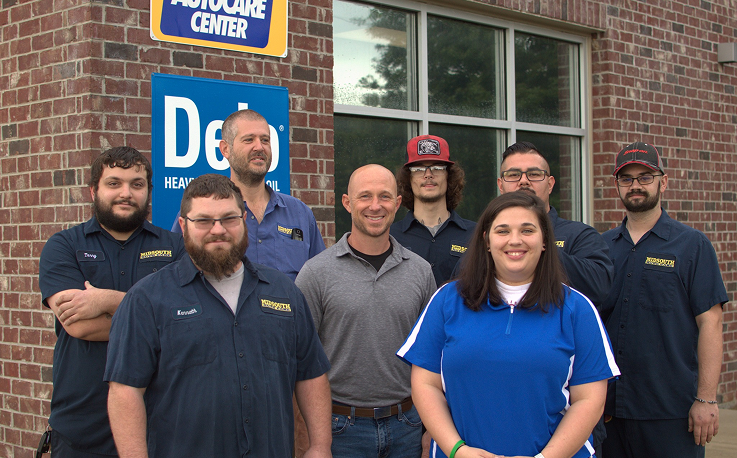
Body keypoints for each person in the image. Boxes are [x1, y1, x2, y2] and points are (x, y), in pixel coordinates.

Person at [105, 174, 332, 458]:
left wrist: (320, 447)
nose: (218, 230)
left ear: (244, 219)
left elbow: (311, 375)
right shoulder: (147, 299)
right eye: (203, 221)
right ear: (183, 225)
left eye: (229, 219)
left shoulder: (284, 292)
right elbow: (125, 391)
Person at [398, 191, 620, 458]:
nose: (515, 240)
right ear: (487, 241)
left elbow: (589, 400)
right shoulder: (447, 301)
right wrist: (457, 450)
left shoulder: (577, 309)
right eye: (502, 231)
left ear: (545, 241)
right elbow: (426, 385)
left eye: (527, 230)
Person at [38, 147, 185, 457]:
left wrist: (106, 299)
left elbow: (186, 321)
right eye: (114, 183)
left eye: (136, 184)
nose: (126, 193)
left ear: (149, 191)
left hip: (160, 424)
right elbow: (78, 325)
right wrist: (158, 321)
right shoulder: (64, 246)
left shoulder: (175, 247)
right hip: (82, 427)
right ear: (94, 190)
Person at [295, 164, 437, 458]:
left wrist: (430, 433)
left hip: (408, 426)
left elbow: (433, 358)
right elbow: (298, 361)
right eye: (365, 197)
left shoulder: (421, 273)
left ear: (397, 203)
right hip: (339, 430)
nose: (375, 206)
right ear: (347, 202)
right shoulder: (316, 273)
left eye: (385, 197)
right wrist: (310, 440)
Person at [600, 142, 728, 458]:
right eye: (626, 179)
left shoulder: (692, 246)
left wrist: (707, 399)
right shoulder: (601, 249)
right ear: (617, 185)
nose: (636, 186)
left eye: (645, 176)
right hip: (607, 410)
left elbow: (711, 322)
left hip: (671, 411)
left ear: (663, 182)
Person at [171, 109, 325, 281]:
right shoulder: (199, 214)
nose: (259, 147)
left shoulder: (299, 213)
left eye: (265, 140)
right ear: (225, 149)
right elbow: (178, 280)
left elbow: (320, 281)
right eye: (249, 140)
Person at [496, 141, 613, 308]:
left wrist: (540, 248)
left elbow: (599, 288)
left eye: (534, 174)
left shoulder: (581, 235)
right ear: (501, 185)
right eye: (514, 175)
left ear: (550, 184)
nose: (523, 181)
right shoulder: (487, 237)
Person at [391, 135, 476, 287]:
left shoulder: (476, 235)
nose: (428, 174)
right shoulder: (391, 237)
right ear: (408, 179)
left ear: (449, 176)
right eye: (418, 169)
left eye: (437, 168)